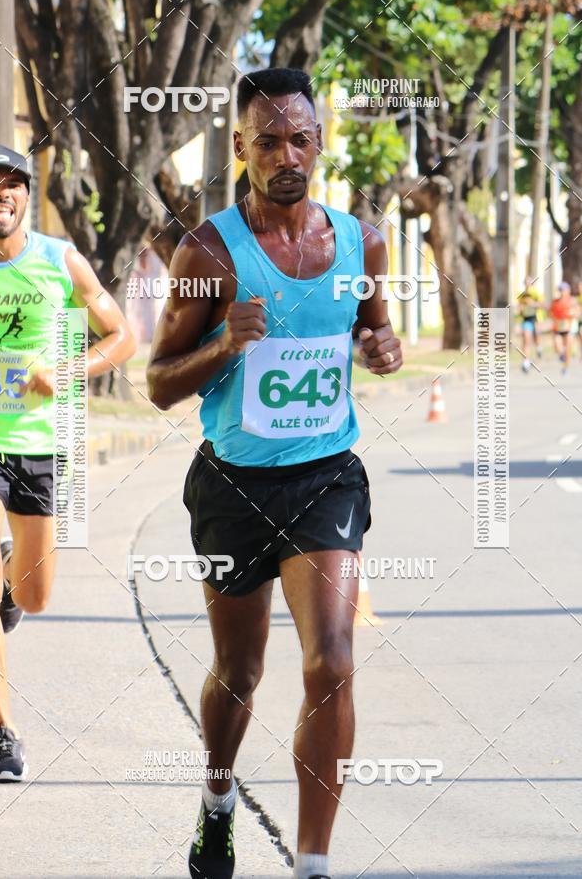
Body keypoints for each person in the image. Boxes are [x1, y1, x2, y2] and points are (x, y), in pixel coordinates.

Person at [147, 68, 403, 879]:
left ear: (319, 142)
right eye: (269, 140)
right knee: (241, 669)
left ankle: (313, 864)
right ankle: (218, 799)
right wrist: (224, 344)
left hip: (327, 477)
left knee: (331, 659)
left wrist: (383, 349)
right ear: (242, 149)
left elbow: (375, 329)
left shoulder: (363, 241)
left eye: (301, 137)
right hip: (233, 487)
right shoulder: (210, 251)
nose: (287, 154)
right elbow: (156, 384)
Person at [0, 144, 136, 780]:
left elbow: (123, 337)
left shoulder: (59, 260)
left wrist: (68, 374)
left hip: (40, 447)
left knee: (34, 596)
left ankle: (14, 583)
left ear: (27, 194)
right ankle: (5, 735)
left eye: (11, 185)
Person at [550, 282, 578, 375]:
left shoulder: (572, 301)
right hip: (558, 327)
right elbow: (550, 313)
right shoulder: (555, 302)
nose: (561, 292)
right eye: (560, 290)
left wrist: (573, 314)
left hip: (569, 327)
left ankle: (566, 367)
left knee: (568, 347)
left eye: (563, 290)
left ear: (568, 291)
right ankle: (562, 355)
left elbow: (577, 312)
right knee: (557, 347)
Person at [516, 275, 543, 372]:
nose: (527, 284)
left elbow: (542, 305)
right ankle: (526, 362)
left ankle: (539, 347)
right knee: (526, 340)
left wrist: (532, 304)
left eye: (529, 282)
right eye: (526, 282)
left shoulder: (536, 293)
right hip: (526, 319)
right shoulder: (521, 294)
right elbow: (519, 308)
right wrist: (520, 310)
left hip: (536, 319)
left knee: (537, 339)